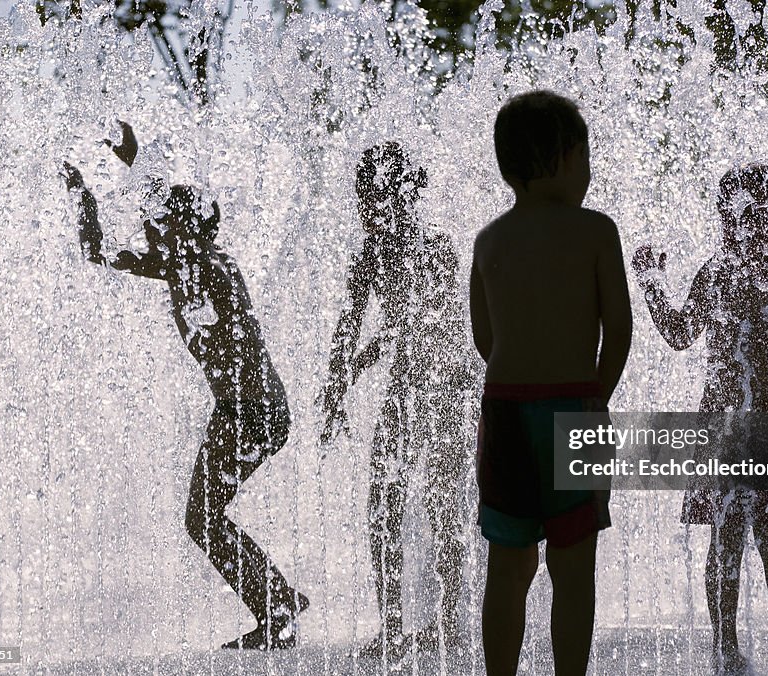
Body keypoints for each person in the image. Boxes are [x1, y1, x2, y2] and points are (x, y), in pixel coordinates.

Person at [63, 122, 308, 650]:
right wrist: (85, 193)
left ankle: (279, 605)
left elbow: (167, 219)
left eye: (162, 225)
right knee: (203, 518)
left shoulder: (211, 266)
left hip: (254, 409)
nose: (150, 230)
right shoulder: (181, 266)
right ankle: (278, 600)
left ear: (186, 229)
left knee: (202, 518)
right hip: (241, 409)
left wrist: (137, 170)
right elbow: (99, 251)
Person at [632, 163, 768, 675]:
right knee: (740, 535)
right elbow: (682, 333)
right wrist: (653, 285)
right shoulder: (729, 275)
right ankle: (740, 651)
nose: (749, 225)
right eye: (739, 215)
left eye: (756, 214)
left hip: (760, 425)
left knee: (761, 536)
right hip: (732, 425)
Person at [470, 90, 632, 676]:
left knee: (508, 567)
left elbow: (484, 337)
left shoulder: (489, 240)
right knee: (573, 567)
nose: (589, 172)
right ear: (564, 156)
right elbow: (618, 329)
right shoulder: (594, 231)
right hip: (574, 405)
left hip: (506, 409)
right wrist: (597, 395)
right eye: (586, 157)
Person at [318, 142, 472, 658]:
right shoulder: (370, 256)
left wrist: (356, 364)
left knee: (442, 504)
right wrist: (339, 379)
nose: (364, 209)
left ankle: (450, 622)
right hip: (405, 388)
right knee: (382, 506)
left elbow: (441, 324)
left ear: (399, 197)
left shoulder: (436, 249)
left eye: (370, 197)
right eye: (362, 198)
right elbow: (350, 325)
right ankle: (393, 628)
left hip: (448, 389)